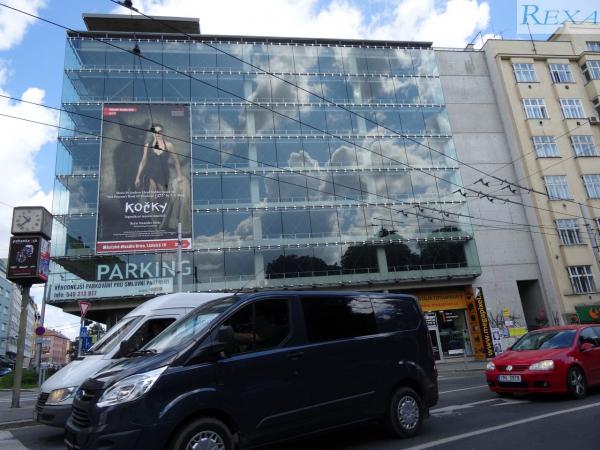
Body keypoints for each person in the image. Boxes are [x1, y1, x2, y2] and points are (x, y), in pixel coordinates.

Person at [134, 124, 183, 191]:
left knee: (161, 195)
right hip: (150, 173)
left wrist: (179, 175)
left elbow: (176, 161)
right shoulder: (147, 146)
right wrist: (137, 177)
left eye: (159, 131)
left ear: (162, 132)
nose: (157, 133)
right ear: (152, 133)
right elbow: (143, 162)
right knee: (152, 190)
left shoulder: (169, 145)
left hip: (163, 174)